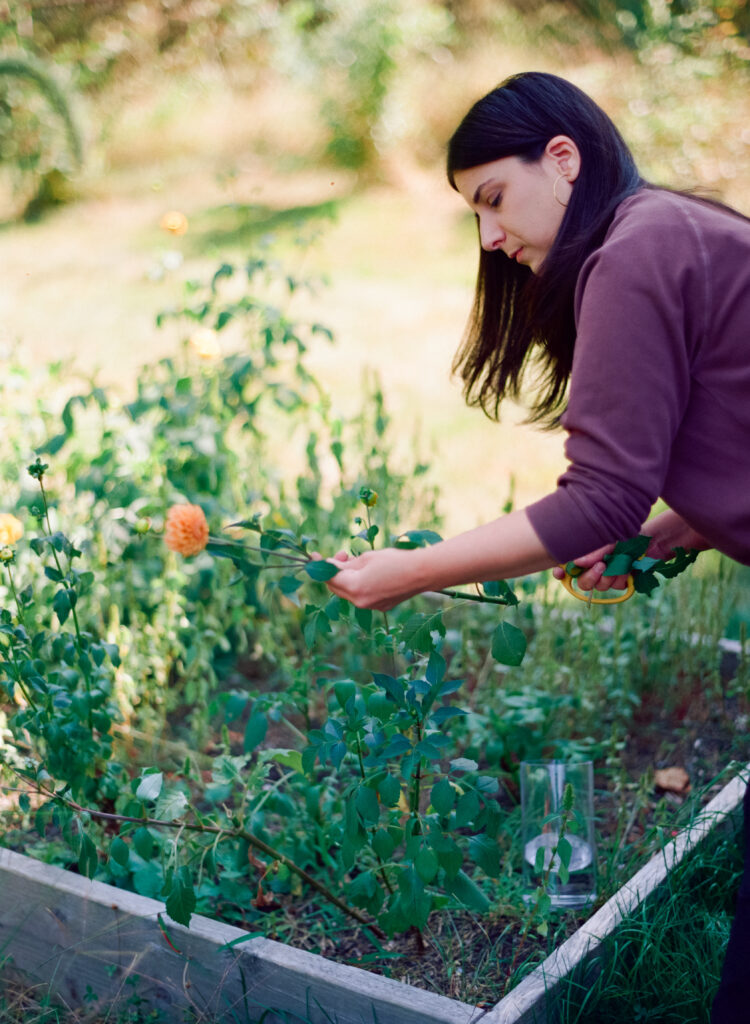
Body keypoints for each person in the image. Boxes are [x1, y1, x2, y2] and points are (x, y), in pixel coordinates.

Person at [320, 71, 750, 1022]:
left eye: (494, 200)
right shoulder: (666, 227)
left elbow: (597, 498)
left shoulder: (635, 254)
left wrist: (412, 572)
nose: (490, 237)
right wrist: (678, 527)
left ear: (564, 158)